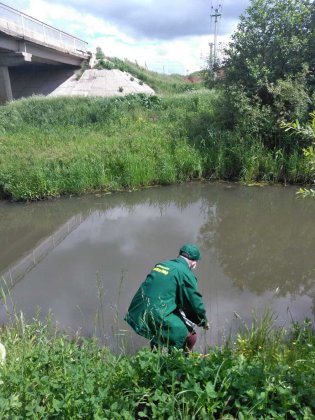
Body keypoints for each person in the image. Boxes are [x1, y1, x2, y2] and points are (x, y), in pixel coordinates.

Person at [124, 243, 209, 351]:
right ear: (193, 263)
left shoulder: (162, 265)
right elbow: (194, 303)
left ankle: (155, 357)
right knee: (190, 337)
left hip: (138, 310)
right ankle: (179, 364)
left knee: (159, 332)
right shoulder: (186, 273)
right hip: (157, 313)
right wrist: (202, 321)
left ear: (179, 255)